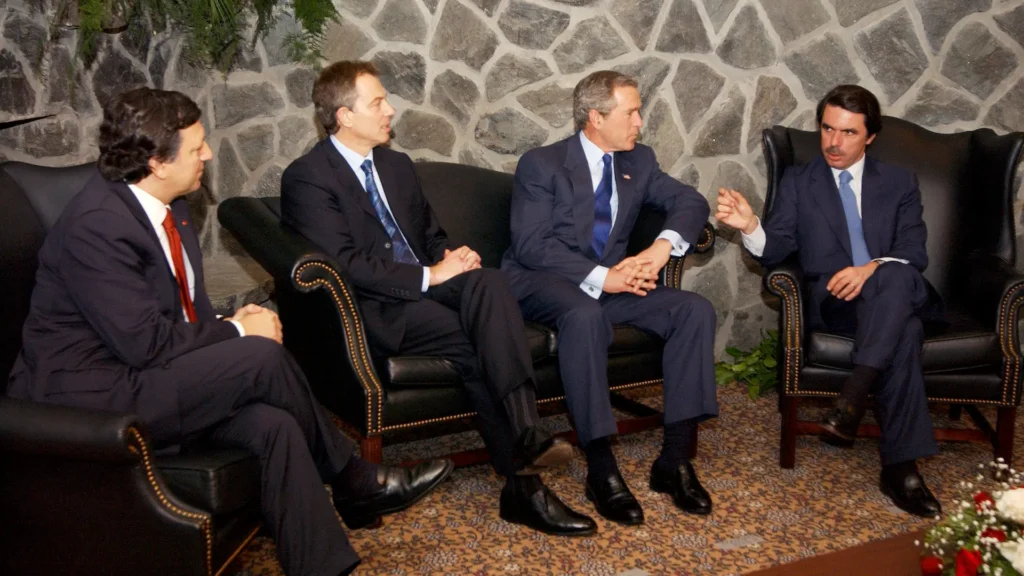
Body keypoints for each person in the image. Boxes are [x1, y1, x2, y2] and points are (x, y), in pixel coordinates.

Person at [6, 87, 454, 576]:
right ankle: (353, 477)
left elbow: (184, 319)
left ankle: (324, 564)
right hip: (89, 395)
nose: (209, 154)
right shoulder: (98, 226)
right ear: (157, 161)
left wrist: (227, 330)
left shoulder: (170, 206)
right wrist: (237, 329)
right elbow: (143, 343)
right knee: (258, 356)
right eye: (197, 146)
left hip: (147, 374)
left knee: (274, 425)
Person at [280, 61, 596, 537]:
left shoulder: (395, 165)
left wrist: (452, 257)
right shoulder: (308, 177)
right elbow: (347, 264)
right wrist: (431, 274)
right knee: (474, 347)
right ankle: (525, 488)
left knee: (488, 281)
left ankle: (529, 431)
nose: (391, 109)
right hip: (378, 306)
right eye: (378, 102)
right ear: (343, 115)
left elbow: (430, 234)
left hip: (429, 283)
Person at [500, 70, 719, 526]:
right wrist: (604, 277)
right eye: (632, 111)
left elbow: (691, 201)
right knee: (583, 315)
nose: (640, 121)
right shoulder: (541, 164)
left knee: (692, 310)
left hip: (612, 284)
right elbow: (532, 246)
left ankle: (674, 461)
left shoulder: (638, 161)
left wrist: (659, 250)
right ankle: (601, 470)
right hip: (542, 281)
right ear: (596, 117)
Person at [715, 84, 942, 518]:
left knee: (895, 278)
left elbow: (915, 253)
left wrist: (869, 269)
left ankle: (854, 397)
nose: (834, 142)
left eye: (848, 133)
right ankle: (900, 469)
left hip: (895, 292)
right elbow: (777, 246)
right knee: (905, 330)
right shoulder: (802, 182)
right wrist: (749, 226)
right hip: (838, 305)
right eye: (827, 129)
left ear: (870, 136)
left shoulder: (898, 182)